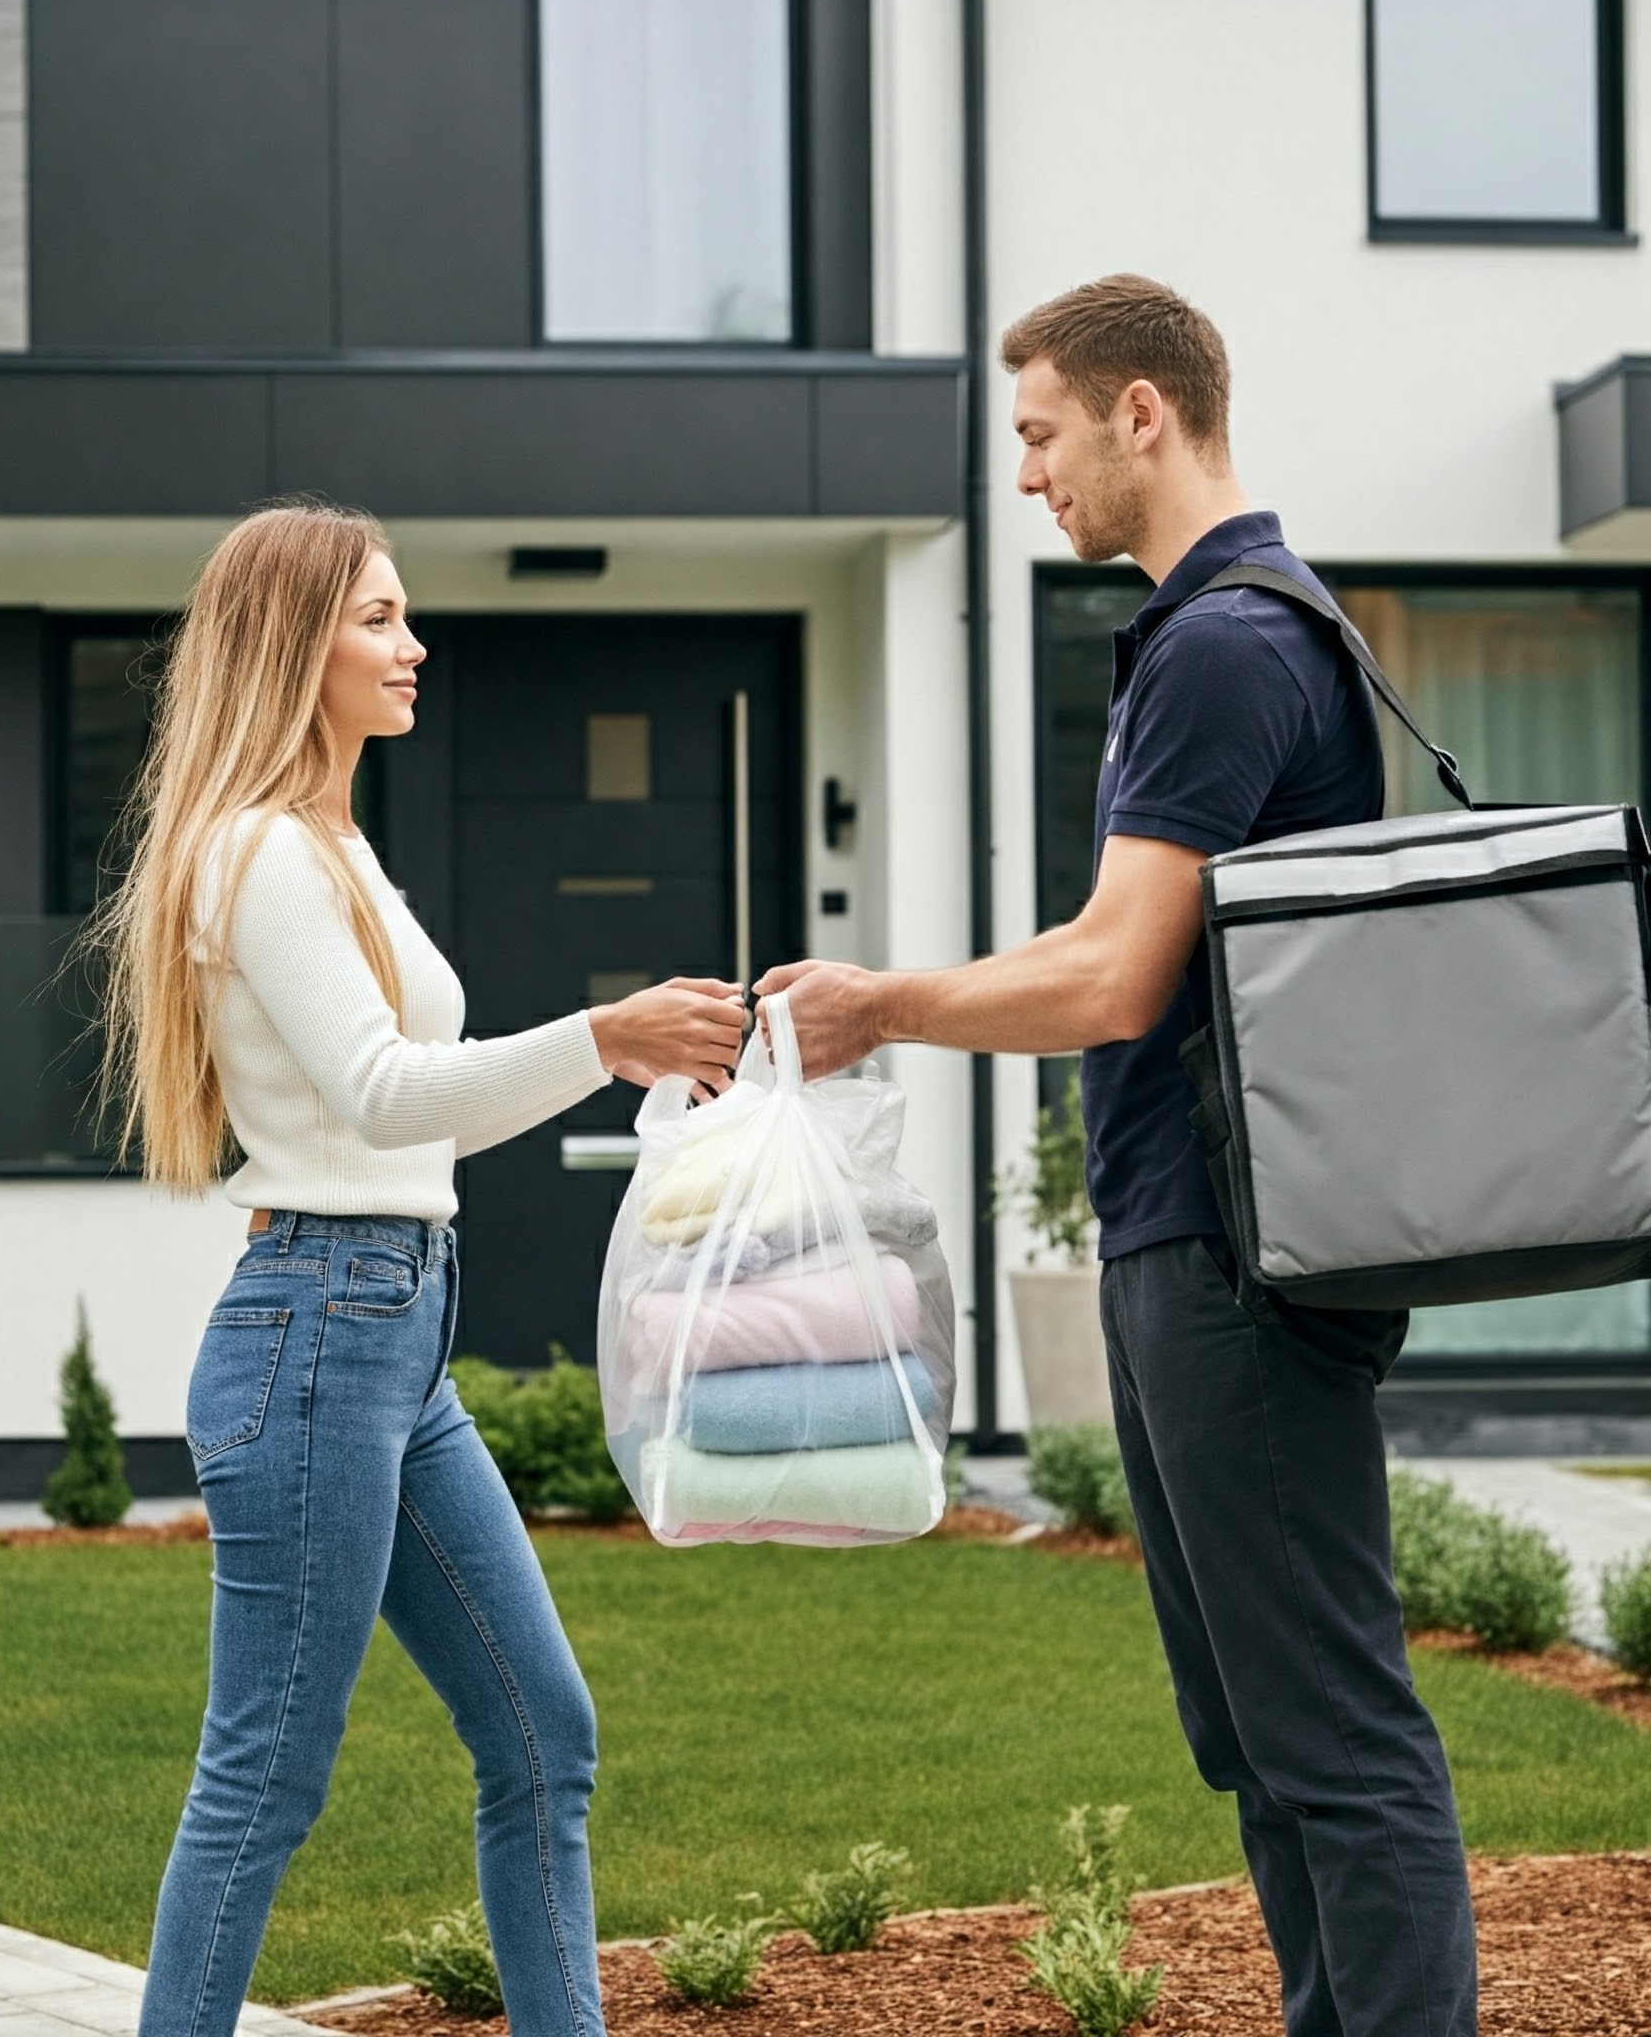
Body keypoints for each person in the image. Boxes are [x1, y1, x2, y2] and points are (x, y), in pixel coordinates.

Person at [756, 276, 1478, 2037]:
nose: (1027, 475)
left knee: (1329, 1725)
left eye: (1039, 433)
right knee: (1256, 1732)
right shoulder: (1218, 633)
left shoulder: (1229, 642)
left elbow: (1108, 971)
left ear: (1139, 412)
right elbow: (1118, 949)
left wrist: (879, 1007)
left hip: (1239, 1259)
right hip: (1198, 1238)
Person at [95, 499, 749, 2037]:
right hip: (319, 1335)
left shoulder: (329, 843)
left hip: (385, 1343)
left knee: (542, 1734)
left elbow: (400, 1098)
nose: (416, 643)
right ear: (292, 643)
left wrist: (625, 1048)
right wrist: (606, 1039)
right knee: (265, 1773)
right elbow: (386, 1090)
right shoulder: (257, 853)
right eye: (379, 617)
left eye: (405, 614)